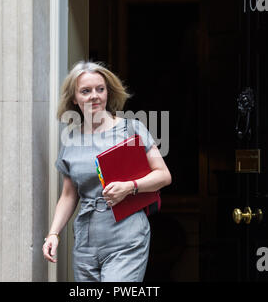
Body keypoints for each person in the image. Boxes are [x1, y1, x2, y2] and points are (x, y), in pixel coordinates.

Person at [43, 61, 172, 282]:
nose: (94, 95)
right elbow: (69, 194)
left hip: (127, 236)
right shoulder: (71, 139)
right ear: (74, 98)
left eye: (100, 89)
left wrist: (130, 187)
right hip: (86, 240)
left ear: (107, 92)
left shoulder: (131, 129)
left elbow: (163, 175)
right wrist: (53, 234)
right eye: (86, 91)